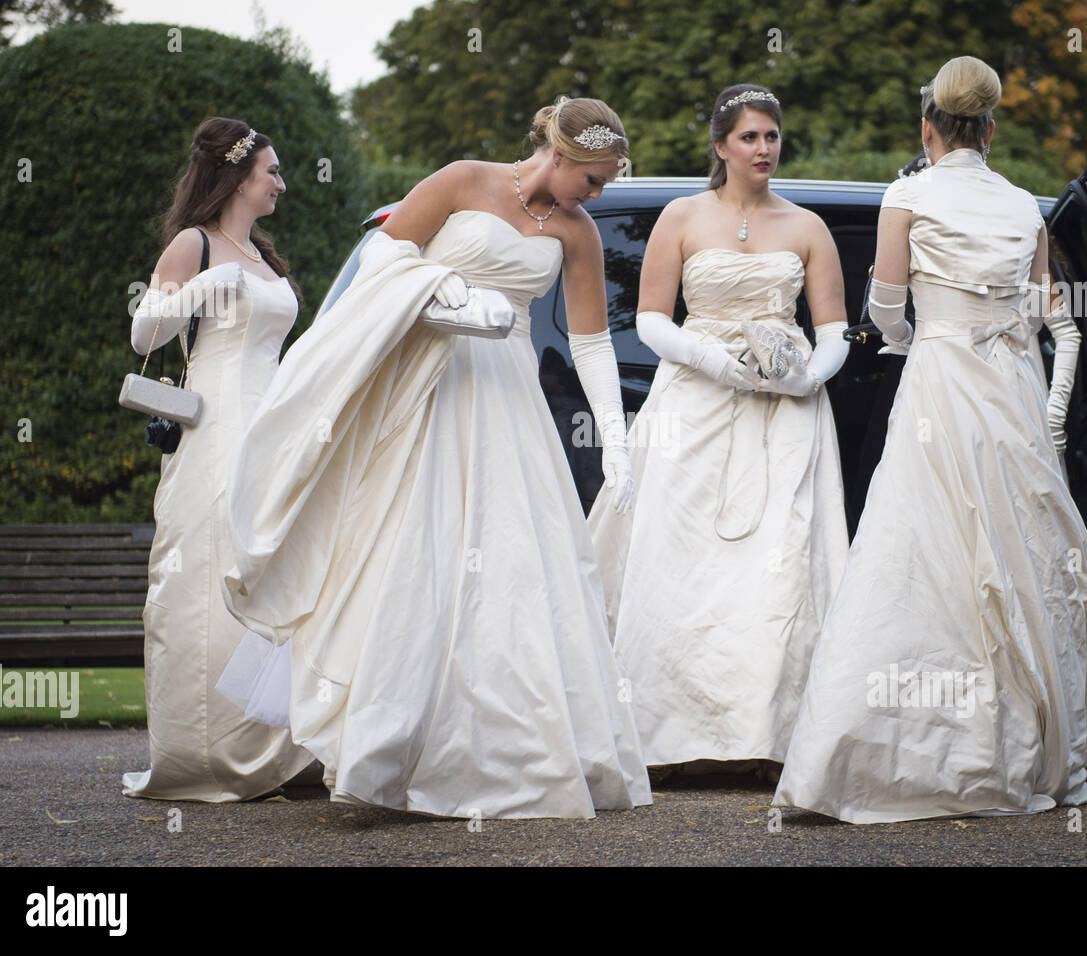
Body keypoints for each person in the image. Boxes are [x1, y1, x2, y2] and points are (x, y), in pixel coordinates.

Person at [215, 96, 652, 819]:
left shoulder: (577, 231)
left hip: (509, 401)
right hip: (431, 387)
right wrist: (446, 292)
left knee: (514, 566)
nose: (597, 195)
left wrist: (617, 441)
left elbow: (592, 341)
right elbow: (385, 257)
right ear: (560, 156)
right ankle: (385, 749)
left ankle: (502, 755)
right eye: (594, 180)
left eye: (604, 184)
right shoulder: (463, 180)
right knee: (411, 555)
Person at [774, 57, 1087, 823]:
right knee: (1022, 543)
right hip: (1013, 397)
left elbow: (888, 308)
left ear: (927, 126)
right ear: (991, 130)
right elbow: (1040, 314)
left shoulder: (909, 195)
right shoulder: (1025, 207)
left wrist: (922, 337)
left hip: (940, 384)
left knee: (921, 546)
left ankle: (894, 745)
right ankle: (1035, 736)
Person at [587, 84, 851, 775]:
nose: (764, 148)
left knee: (780, 564)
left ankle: (767, 737)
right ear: (720, 146)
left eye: (771, 136)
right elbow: (649, 319)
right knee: (680, 556)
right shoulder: (682, 216)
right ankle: (662, 738)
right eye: (750, 137)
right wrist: (716, 361)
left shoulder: (807, 228)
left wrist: (806, 376)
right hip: (693, 403)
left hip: (786, 410)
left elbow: (834, 332)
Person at [122, 117, 315, 801]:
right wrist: (203, 289)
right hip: (218, 425)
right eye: (272, 172)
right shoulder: (194, 244)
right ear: (237, 175)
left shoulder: (261, 253)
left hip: (273, 425)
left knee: (277, 568)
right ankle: (209, 749)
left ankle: (280, 742)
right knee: (211, 574)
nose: (281, 185)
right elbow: (146, 329)